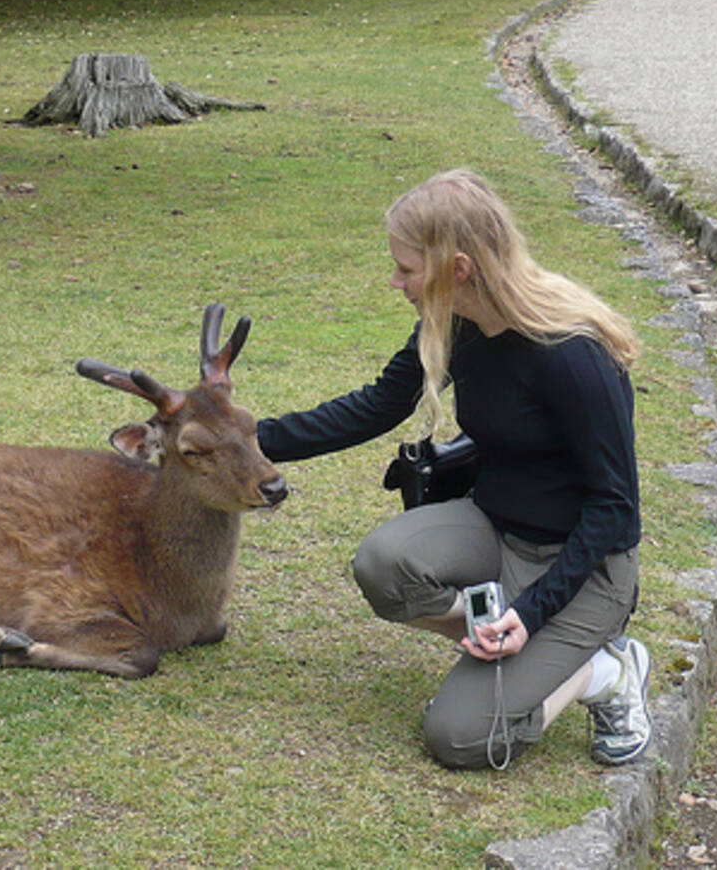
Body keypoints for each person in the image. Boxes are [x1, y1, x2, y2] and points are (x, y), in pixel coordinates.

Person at [256, 169, 650, 769]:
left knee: (461, 737)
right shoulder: (456, 325)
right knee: (383, 565)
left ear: (458, 268)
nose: (396, 282)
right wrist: (250, 443)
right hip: (496, 531)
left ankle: (605, 671)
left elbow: (615, 510)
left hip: (587, 568)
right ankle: (515, 648)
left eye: (407, 269)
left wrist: (531, 612)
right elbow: (379, 405)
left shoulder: (573, 354)